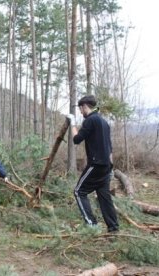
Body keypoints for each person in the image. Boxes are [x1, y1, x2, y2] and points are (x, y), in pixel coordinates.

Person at [67, 95, 119, 233]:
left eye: (80, 109)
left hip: (96, 164)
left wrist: (72, 123)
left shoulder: (90, 120)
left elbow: (77, 139)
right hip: (106, 165)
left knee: (79, 191)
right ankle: (113, 228)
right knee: (104, 196)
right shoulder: (104, 122)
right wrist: (111, 167)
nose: (80, 112)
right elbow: (110, 147)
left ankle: (92, 225)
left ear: (85, 106)